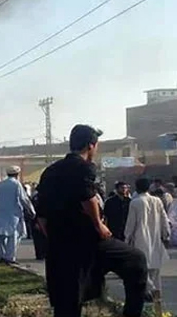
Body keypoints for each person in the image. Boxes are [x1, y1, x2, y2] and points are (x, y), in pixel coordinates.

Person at [37, 124, 147, 317]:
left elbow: (42, 215)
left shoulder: (50, 171)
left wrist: (54, 237)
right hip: (89, 241)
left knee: (67, 301)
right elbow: (87, 199)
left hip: (60, 245)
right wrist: (99, 225)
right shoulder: (84, 167)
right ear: (90, 146)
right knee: (136, 260)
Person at [124, 178, 170, 300]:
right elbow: (164, 219)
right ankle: (156, 295)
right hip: (155, 238)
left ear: (137, 188)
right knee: (155, 269)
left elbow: (130, 224)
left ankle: (151, 291)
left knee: (142, 268)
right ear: (149, 187)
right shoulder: (157, 201)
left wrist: (127, 239)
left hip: (140, 238)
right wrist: (166, 235)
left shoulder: (135, 202)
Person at [0, 165, 34, 263]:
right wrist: (31, 210)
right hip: (13, 215)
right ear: (17, 174)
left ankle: (0, 256)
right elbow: (24, 199)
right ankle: (10, 257)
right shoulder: (16, 184)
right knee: (14, 236)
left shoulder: (0, 184)